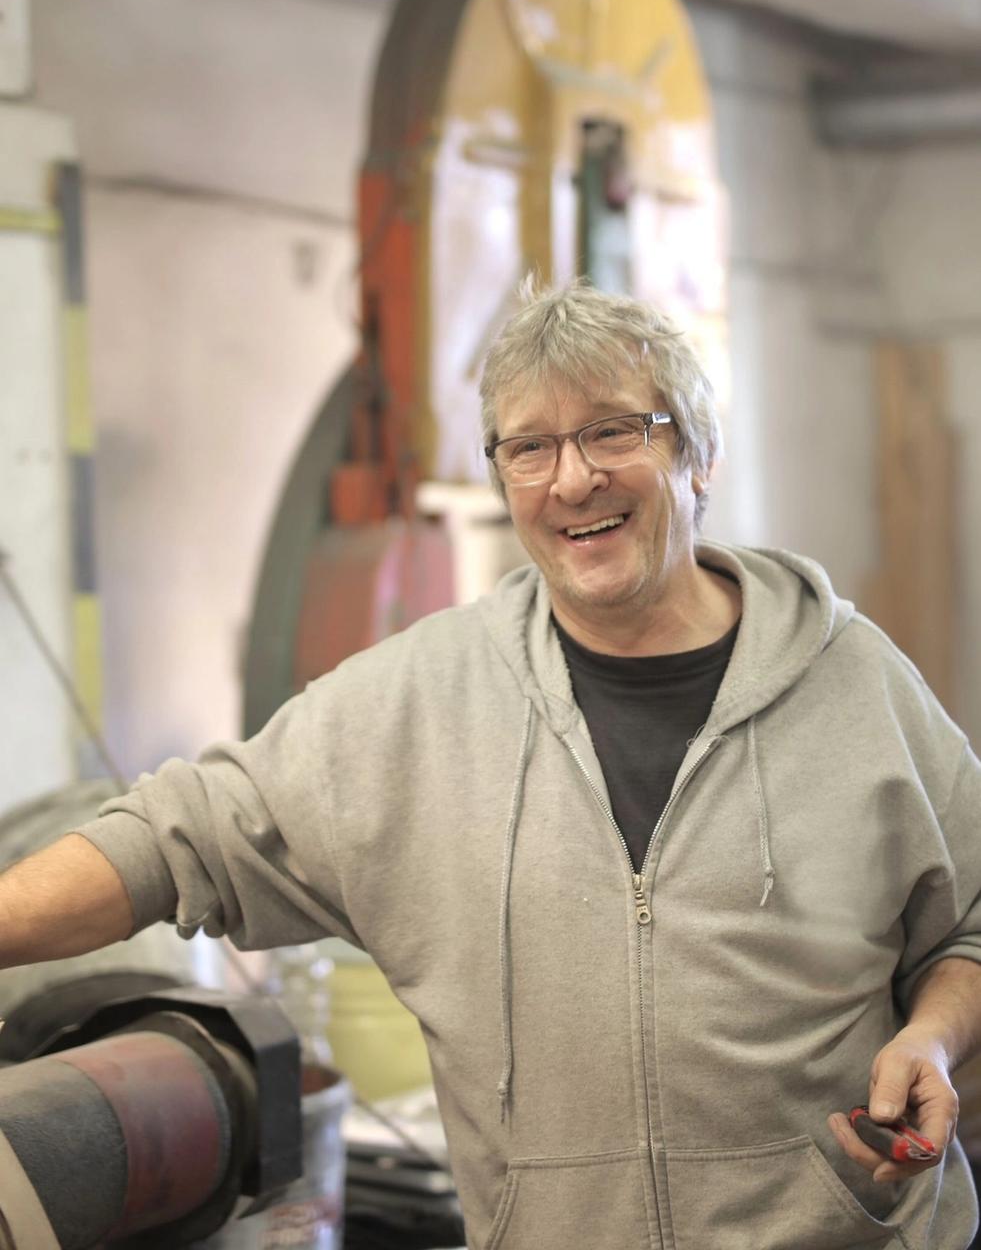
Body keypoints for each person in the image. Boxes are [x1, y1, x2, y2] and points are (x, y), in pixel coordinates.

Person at [3, 280, 981, 1249]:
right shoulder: (413, 703)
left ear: (696, 454)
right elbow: (176, 838)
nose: (572, 480)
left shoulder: (853, 683)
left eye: (613, 432)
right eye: (530, 447)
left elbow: (969, 924)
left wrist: (931, 1038)